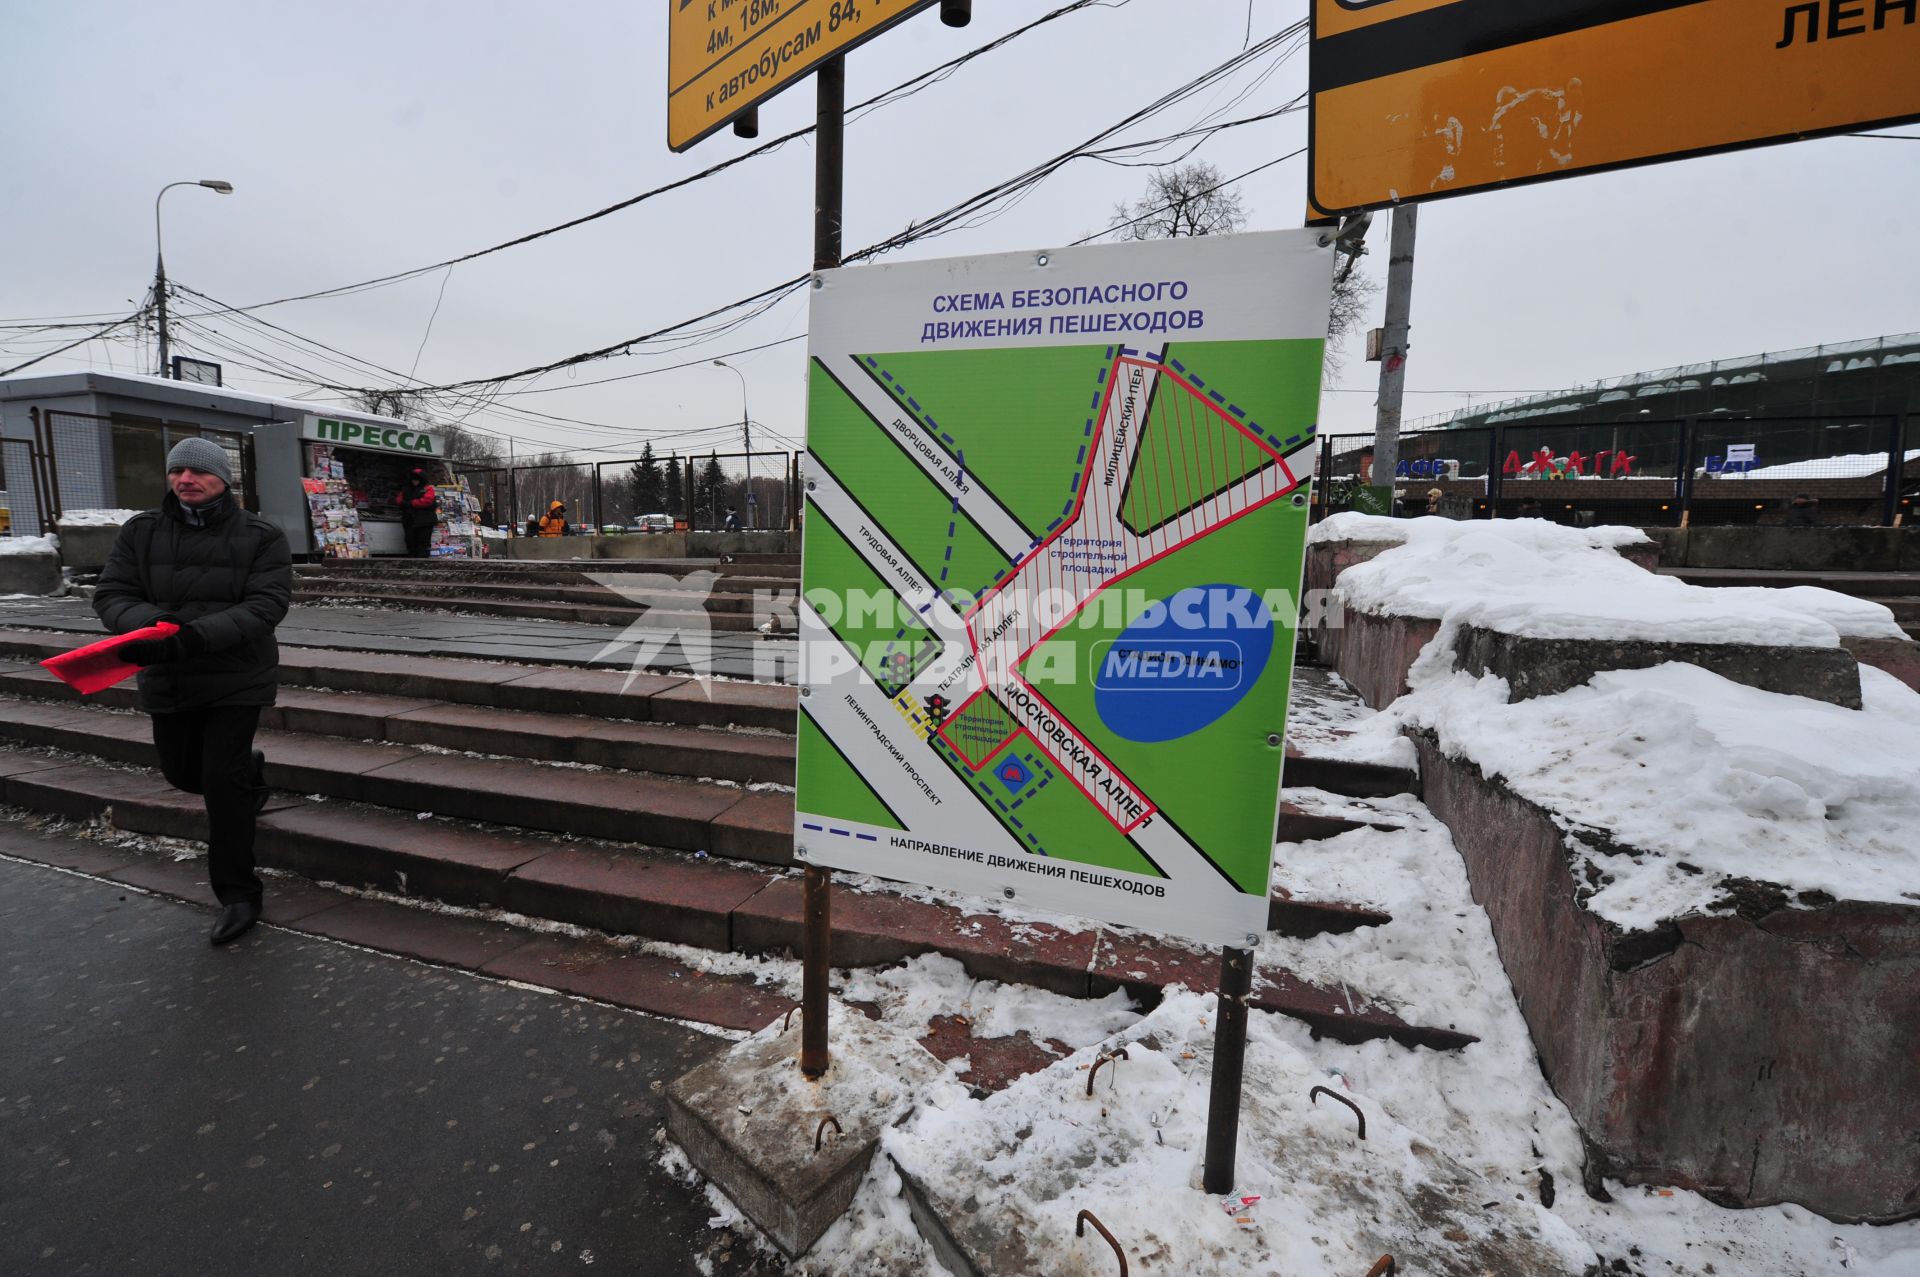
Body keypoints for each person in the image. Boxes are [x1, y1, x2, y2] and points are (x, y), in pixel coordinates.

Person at [93, 437, 292, 946]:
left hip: (236, 675)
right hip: (168, 674)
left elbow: (267, 604)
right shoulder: (141, 531)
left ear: (224, 479)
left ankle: (239, 894)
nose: (186, 479)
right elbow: (112, 593)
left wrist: (198, 636)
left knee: (221, 790)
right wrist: (151, 625)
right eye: (177, 470)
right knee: (184, 774)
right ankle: (251, 772)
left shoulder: (261, 536)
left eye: (198, 472)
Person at [399, 466, 438, 557]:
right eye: (413, 479)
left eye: (417, 480)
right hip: (410, 520)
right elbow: (399, 500)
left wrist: (410, 503)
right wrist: (407, 504)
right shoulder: (406, 489)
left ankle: (422, 561)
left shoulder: (428, 489)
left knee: (423, 543)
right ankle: (413, 560)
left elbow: (427, 501)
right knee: (410, 541)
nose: (414, 481)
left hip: (424, 521)